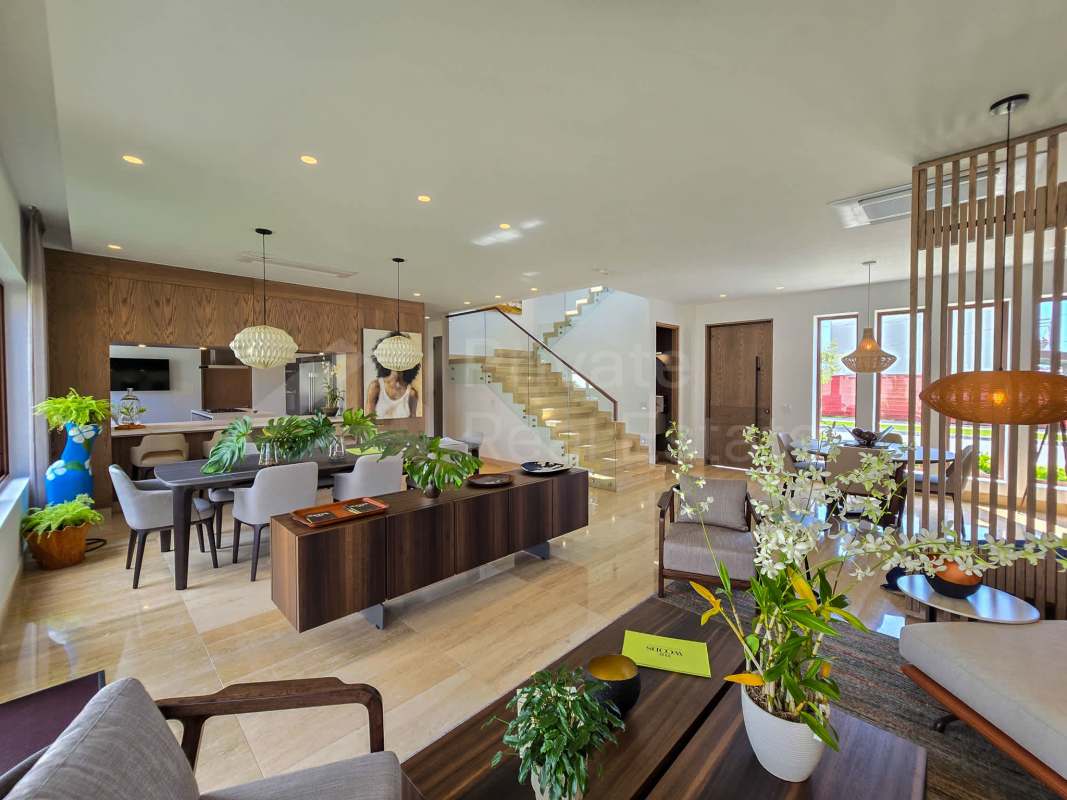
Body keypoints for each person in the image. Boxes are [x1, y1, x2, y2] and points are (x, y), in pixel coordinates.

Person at [365, 333, 420, 418]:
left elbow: (413, 423)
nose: (398, 358)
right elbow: (368, 421)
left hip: (404, 431)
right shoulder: (376, 387)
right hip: (379, 431)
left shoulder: (412, 393)